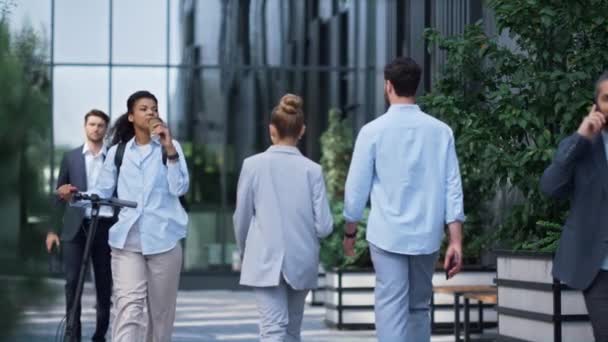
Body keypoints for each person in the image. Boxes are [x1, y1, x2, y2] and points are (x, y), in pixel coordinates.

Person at [342, 57, 465, 342]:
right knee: (419, 306)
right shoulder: (440, 131)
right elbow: (452, 186)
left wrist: (350, 232)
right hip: (426, 234)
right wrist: (456, 240)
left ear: (388, 86)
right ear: (416, 87)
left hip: (387, 234)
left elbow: (356, 189)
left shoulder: (372, 132)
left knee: (390, 305)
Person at [57, 91, 189, 342]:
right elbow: (102, 191)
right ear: (131, 116)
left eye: (154, 108)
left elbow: (179, 188)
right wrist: (75, 194)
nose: (151, 112)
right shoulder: (118, 152)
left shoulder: (171, 148)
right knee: (128, 309)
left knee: (160, 316)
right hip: (127, 242)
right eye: (144, 108)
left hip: (164, 241)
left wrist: (169, 148)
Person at [233, 94, 333, 341]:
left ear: (271, 130)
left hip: (263, 257)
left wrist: (245, 250)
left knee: (272, 330)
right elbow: (325, 227)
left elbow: (241, 217)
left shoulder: (252, 165)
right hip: (302, 258)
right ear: (302, 131)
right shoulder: (313, 170)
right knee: (291, 331)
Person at [540, 71, 608, 341]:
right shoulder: (582, 147)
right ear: (596, 105)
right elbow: (550, 187)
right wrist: (581, 135)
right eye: (606, 98)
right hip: (598, 268)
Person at [46, 109, 114, 342]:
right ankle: (72, 334)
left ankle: (100, 334)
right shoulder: (71, 157)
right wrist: (53, 230)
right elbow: (58, 194)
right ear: (85, 127)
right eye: (92, 124)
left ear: (106, 129)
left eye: (100, 125)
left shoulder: (114, 158)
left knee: (104, 283)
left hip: (105, 226)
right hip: (76, 226)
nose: (95, 129)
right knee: (72, 281)